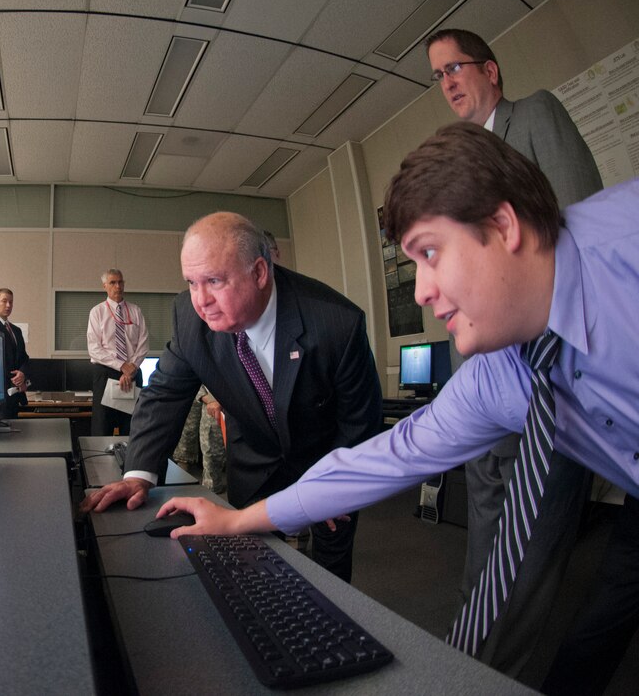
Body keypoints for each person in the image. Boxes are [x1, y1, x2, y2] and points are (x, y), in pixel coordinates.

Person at [157, 123, 639, 692]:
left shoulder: (625, 247)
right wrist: (238, 520)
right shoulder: (500, 376)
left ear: (503, 225)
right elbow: (384, 458)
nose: (421, 292)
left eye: (430, 254)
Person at [426, 28, 604, 676]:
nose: (446, 81)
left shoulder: (535, 117)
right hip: (483, 379)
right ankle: (469, 664)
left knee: (528, 555)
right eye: (437, 74)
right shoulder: (464, 162)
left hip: (545, 371)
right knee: (484, 535)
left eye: (456, 67)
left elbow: (583, 224)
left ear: (492, 70)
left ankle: (499, 677)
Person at [81, 212, 382, 582]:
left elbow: (361, 421)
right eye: (191, 282)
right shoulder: (190, 319)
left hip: (324, 463)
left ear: (259, 272)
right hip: (254, 464)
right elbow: (163, 394)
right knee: (246, 569)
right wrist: (138, 474)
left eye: (214, 281)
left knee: (328, 582)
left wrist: (336, 483)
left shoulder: (336, 323)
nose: (201, 300)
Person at [87, 269, 148, 436]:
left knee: (131, 428)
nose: (118, 286)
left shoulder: (135, 311)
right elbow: (94, 348)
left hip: (132, 373)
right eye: (113, 283)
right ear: (105, 286)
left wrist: (131, 367)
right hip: (106, 373)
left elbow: (143, 344)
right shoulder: (97, 312)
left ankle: (130, 462)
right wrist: (122, 366)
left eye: (120, 282)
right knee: (102, 428)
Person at [0, 288, 29, 418]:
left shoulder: (16, 330)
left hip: (15, 395)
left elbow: (24, 358)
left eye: (11, 302)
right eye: (4, 301)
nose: (8, 305)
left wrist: (22, 373)